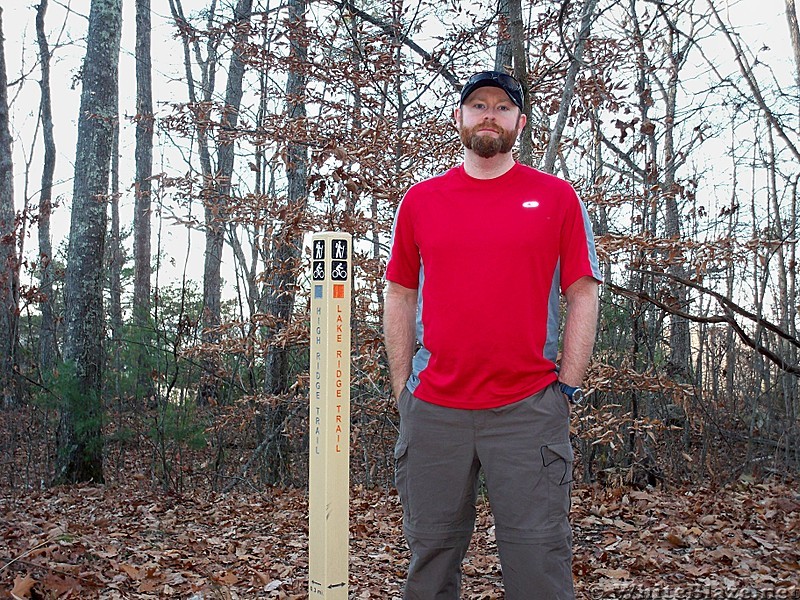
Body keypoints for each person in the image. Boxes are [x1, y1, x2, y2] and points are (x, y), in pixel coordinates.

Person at [383, 70, 602, 600]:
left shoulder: (555, 197)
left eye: (503, 108)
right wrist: (402, 392)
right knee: (430, 560)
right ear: (458, 117)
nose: (489, 115)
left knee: (539, 563)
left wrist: (565, 388)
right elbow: (400, 294)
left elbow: (583, 292)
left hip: (528, 410)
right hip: (435, 410)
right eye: (477, 105)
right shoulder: (422, 200)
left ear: (520, 124)